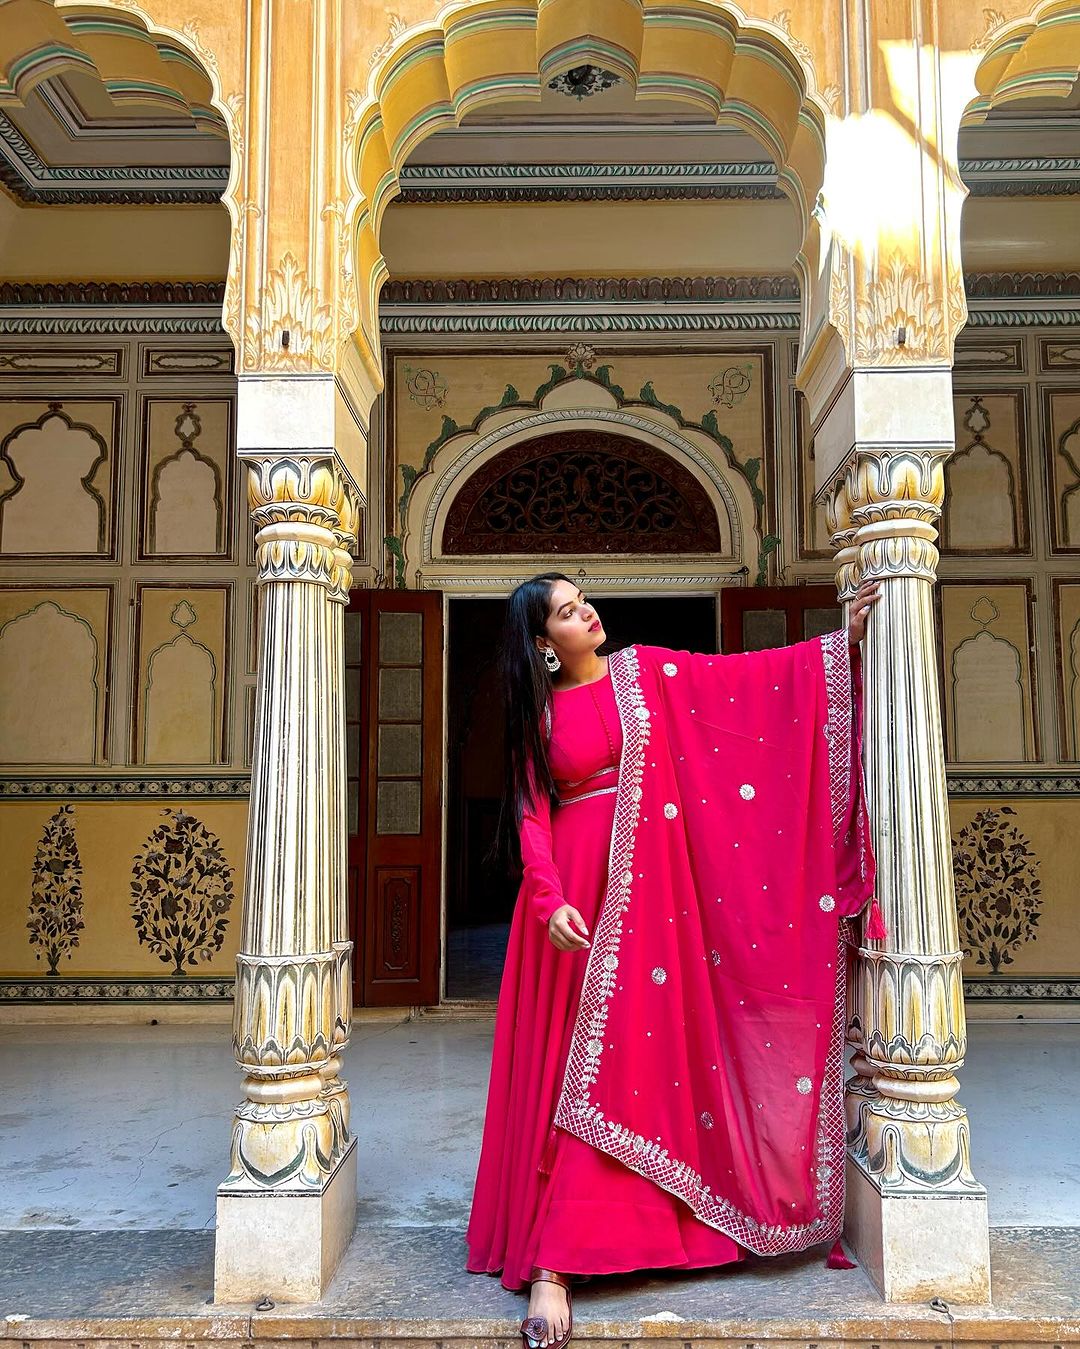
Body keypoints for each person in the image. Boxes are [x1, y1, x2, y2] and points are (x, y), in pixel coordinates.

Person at [466, 573, 882, 1349]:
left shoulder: (646, 672)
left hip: (655, 899)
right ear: (541, 645)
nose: (585, 610)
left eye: (582, 598)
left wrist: (839, 644)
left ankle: (649, 1229)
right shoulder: (538, 715)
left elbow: (748, 684)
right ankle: (553, 1263)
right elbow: (531, 811)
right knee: (572, 1070)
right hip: (576, 911)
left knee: (639, 1064)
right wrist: (549, 895)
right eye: (565, 609)